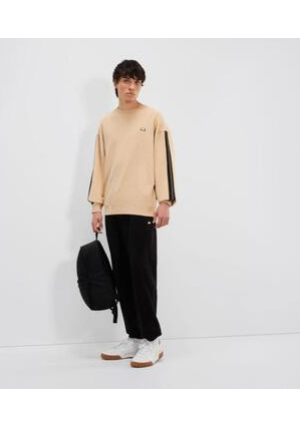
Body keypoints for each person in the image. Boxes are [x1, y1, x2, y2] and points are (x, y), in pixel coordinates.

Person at [87, 59, 177, 368]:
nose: (131, 87)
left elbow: (164, 160)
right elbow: (99, 166)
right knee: (122, 278)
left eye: (137, 82)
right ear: (116, 83)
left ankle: (153, 340)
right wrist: (97, 206)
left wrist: (165, 201)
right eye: (126, 80)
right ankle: (135, 337)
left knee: (142, 276)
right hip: (114, 210)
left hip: (142, 211)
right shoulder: (106, 123)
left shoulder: (153, 118)